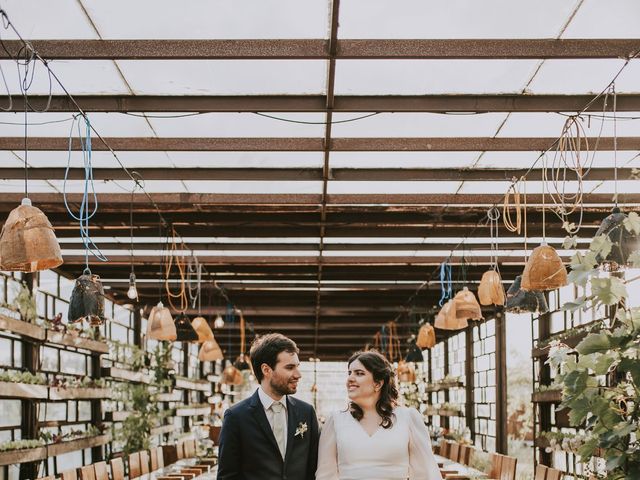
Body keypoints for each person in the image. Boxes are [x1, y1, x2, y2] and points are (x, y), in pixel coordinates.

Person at [316, 350, 442, 480]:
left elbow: (426, 473)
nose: (350, 379)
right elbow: (325, 474)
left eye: (359, 373)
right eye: (349, 373)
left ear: (378, 383)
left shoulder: (408, 418)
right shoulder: (335, 420)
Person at [217, 333, 320, 480]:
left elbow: (313, 468)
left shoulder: (307, 412)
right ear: (266, 370)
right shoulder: (236, 417)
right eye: (290, 367)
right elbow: (227, 476)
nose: (298, 374)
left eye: (297, 366)